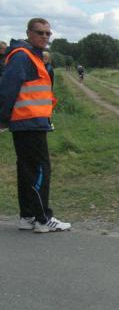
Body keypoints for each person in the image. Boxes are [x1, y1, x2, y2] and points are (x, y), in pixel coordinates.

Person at [0, 18, 71, 232]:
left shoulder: (33, 56)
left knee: (27, 171)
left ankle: (28, 216)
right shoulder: (22, 56)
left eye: (48, 33)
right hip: (29, 122)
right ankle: (42, 219)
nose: (45, 36)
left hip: (32, 122)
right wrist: (2, 119)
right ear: (29, 33)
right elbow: (7, 89)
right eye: (40, 32)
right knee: (40, 170)